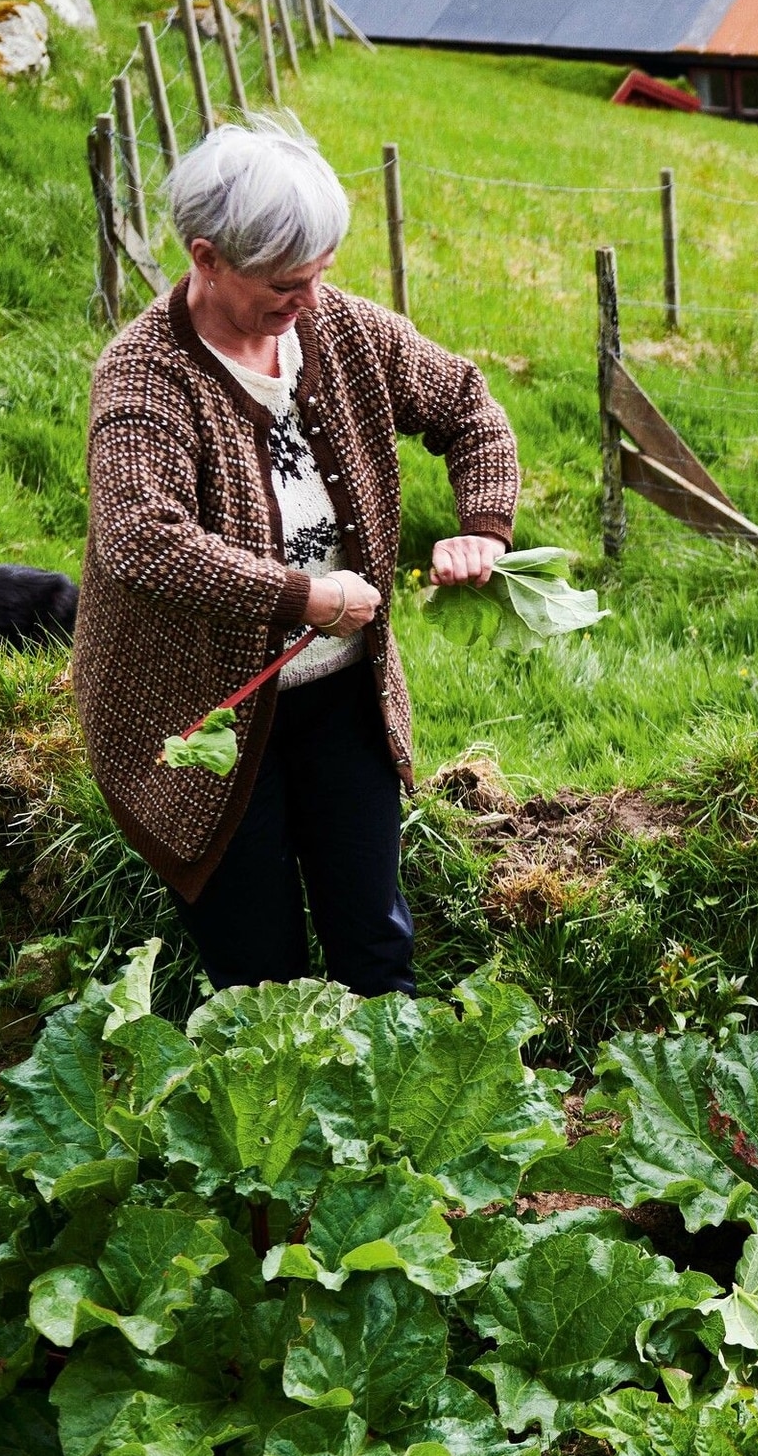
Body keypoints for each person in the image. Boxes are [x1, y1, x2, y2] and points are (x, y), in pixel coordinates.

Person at [75, 117, 519, 994]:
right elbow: (140, 540)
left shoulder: (349, 334)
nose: (310, 302)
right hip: (203, 709)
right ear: (207, 258)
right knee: (255, 965)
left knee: (376, 942)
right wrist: (302, 598)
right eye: (285, 283)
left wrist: (483, 523)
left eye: (318, 276)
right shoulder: (145, 376)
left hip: (344, 693)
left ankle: (388, 1119)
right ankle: (269, 1123)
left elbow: (469, 407)